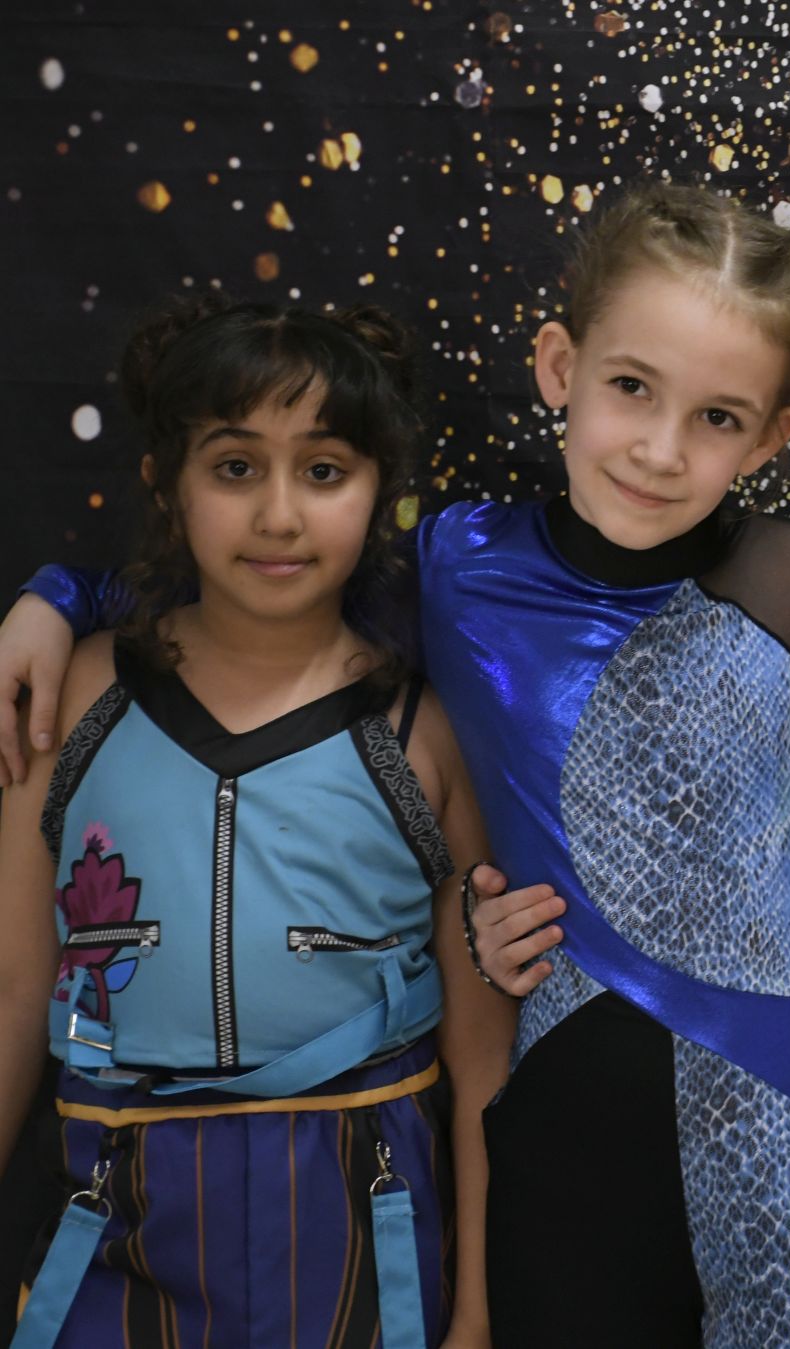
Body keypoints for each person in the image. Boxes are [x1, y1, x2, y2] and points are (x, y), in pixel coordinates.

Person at [0, 180, 790, 1347]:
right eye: (631, 387)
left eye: (718, 417)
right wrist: (55, 598)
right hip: (560, 1124)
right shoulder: (454, 568)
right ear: (559, 366)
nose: (660, 449)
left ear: (773, 436)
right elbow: (250, 592)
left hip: (785, 1125)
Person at [0, 295, 515, 1348]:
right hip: (116, 1213)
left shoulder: (425, 731)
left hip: (362, 1217)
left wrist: (475, 1310)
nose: (279, 515)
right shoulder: (70, 705)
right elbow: (12, 991)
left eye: (323, 470)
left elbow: (480, 1060)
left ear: (379, 492)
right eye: (235, 467)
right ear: (165, 483)